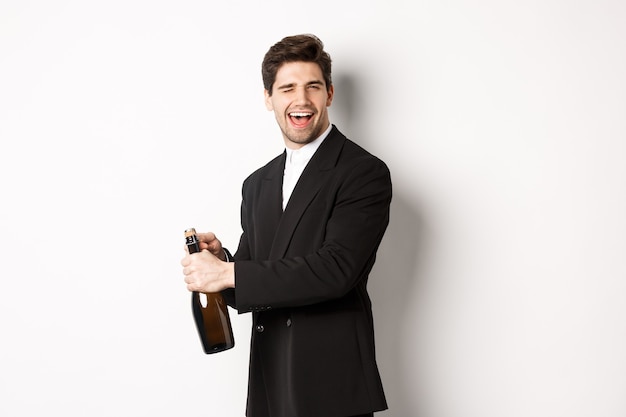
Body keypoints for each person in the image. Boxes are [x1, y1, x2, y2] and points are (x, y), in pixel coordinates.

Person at [181, 34, 392, 417]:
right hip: (270, 382)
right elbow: (249, 285)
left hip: (330, 386)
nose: (301, 99)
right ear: (268, 98)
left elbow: (335, 271)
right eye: (287, 88)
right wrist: (222, 265)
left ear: (328, 94)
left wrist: (231, 273)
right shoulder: (257, 183)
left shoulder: (363, 172)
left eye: (312, 86)